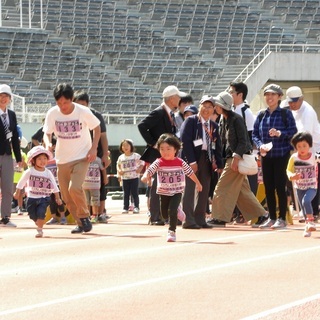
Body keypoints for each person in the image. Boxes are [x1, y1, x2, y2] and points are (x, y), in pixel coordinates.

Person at [43, 83, 101, 234]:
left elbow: (97, 127)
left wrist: (94, 148)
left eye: (66, 102)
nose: (63, 106)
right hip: (62, 159)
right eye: (59, 103)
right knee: (66, 197)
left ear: (72, 99)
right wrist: (48, 143)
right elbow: (47, 132)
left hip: (82, 156)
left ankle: (84, 217)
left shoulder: (82, 111)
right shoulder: (53, 113)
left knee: (74, 188)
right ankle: (80, 223)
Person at [206, 92, 267, 227]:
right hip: (231, 158)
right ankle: (262, 215)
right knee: (242, 192)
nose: (215, 106)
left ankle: (219, 217)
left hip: (236, 159)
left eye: (217, 104)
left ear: (222, 106)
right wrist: (221, 160)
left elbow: (244, 141)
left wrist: (236, 157)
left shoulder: (236, 119)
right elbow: (222, 142)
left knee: (221, 188)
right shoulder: (223, 119)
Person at [138, 85, 187, 226]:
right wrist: (154, 144)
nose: (179, 100)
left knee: (167, 184)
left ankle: (164, 215)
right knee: (157, 184)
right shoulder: (159, 112)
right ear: (172, 99)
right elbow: (142, 126)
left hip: (166, 154)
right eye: (178, 97)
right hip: (158, 155)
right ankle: (155, 216)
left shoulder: (169, 113)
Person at [141, 133, 202, 242]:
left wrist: (198, 183)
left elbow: (190, 173)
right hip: (163, 191)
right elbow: (150, 170)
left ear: (175, 150)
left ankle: (172, 232)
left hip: (177, 191)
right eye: (162, 149)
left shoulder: (180, 162)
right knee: (164, 215)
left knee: (171, 210)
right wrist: (145, 176)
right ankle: (177, 210)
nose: (165, 152)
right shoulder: (159, 162)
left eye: (168, 149)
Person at [252, 83, 297, 229]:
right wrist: (260, 146)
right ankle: (271, 217)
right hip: (266, 156)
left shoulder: (286, 114)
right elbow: (255, 135)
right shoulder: (261, 114)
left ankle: (282, 218)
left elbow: (293, 133)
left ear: (279, 97)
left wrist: (280, 134)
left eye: (273, 94)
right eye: (267, 94)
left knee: (280, 186)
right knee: (268, 187)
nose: (269, 97)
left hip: (281, 155)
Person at [180, 95, 224, 229]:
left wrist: (220, 164)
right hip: (192, 157)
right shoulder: (191, 121)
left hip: (207, 158)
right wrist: (192, 161)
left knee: (204, 189)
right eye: (204, 106)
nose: (206, 109)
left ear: (213, 109)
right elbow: (185, 142)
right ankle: (188, 219)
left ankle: (200, 218)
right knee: (189, 189)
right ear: (199, 107)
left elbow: (217, 145)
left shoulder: (214, 126)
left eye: (210, 107)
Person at [73, 90, 110, 223]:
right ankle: (84, 213)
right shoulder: (71, 116)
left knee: (99, 185)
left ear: (88, 104)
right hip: (78, 155)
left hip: (96, 154)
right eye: (78, 104)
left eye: (84, 104)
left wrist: (105, 154)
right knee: (81, 185)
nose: (81, 107)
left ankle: (100, 213)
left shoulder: (96, 115)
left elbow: (103, 136)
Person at [285, 86, 320, 221]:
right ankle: (304, 210)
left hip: (313, 149)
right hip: (300, 150)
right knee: (300, 180)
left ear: (301, 99)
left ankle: (313, 211)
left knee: (312, 179)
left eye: (295, 101)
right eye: (290, 102)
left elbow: (306, 135)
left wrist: (298, 149)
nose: (292, 104)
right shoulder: (292, 110)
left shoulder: (308, 112)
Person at [13, 146, 62, 238]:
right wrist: (17, 192)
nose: (42, 161)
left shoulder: (48, 173)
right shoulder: (30, 171)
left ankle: (40, 230)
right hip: (31, 198)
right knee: (32, 214)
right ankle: (38, 221)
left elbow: (54, 185)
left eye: (44, 158)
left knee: (41, 212)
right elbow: (21, 182)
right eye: (39, 159)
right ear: (33, 160)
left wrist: (58, 197)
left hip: (44, 197)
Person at [228, 81, 260, 224]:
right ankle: (235, 213)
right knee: (234, 186)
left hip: (244, 155)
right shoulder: (230, 110)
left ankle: (247, 214)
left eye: (231, 92)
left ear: (240, 95)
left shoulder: (246, 112)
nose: (229, 94)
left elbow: (250, 136)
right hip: (232, 154)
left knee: (246, 186)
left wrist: (246, 154)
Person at [287, 132, 318, 237]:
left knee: (306, 201)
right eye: (299, 146)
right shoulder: (294, 158)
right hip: (299, 187)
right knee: (303, 207)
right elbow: (288, 170)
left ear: (309, 145)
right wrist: (292, 176)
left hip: (312, 186)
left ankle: (311, 221)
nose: (302, 148)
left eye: (304, 145)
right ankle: (307, 227)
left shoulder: (314, 156)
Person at [0, 84, 22, 227]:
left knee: (8, 187)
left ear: (10, 99)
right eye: (1, 96)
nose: (3, 98)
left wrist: (19, 158)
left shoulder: (12, 115)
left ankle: (5, 217)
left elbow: (14, 138)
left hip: (8, 155)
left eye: (6, 96)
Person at [117, 139, 144, 214]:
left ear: (131, 146)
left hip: (134, 177)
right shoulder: (121, 157)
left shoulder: (136, 155)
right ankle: (125, 208)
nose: (125, 147)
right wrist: (119, 171)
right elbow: (118, 165)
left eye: (127, 145)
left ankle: (136, 207)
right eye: (123, 145)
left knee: (134, 193)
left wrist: (139, 169)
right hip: (125, 178)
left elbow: (142, 162)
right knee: (126, 193)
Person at [83, 156, 107, 223]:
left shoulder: (98, 160)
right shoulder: (82, 158)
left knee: (95, 200)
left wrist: (105, 178)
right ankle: (87, 216)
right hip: (84, 184)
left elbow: (103, 169)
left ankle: (94, 215)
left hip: (95, 184)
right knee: (86, 201)